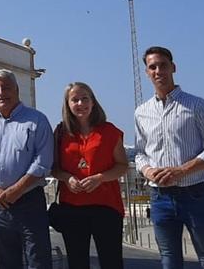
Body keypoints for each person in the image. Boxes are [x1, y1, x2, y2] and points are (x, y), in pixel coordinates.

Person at [133, 46, 204, 269]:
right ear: (147, 73)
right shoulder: (141, 112)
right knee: (169, 258)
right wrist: (148, 171)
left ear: (173, 67)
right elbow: (140, 154)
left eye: (162, 65)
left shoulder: (196, 105)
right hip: (160, 197)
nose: (158, 71)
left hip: (195, 194)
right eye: (152, 67)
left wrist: (181, 171)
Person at [0, 69, 54, 269]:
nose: (1, 93)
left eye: (6, 88)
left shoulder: (37, 121)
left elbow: (43, 161)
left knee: (38, 261)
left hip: (29, 202)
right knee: (4, 262)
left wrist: (17, 190)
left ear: (16, 90)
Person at [50, 82, 127, 269]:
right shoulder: (60, 133)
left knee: (112, 262)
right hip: (72, 208)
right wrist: (67, 178)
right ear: (67, 104)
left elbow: (123, 166)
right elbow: (53, 168)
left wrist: (100, 178)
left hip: (106, 207)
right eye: (74, 99)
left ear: (93, 102)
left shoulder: (109, 131)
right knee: (77, 262)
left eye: (85, 98)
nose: (80, 103)